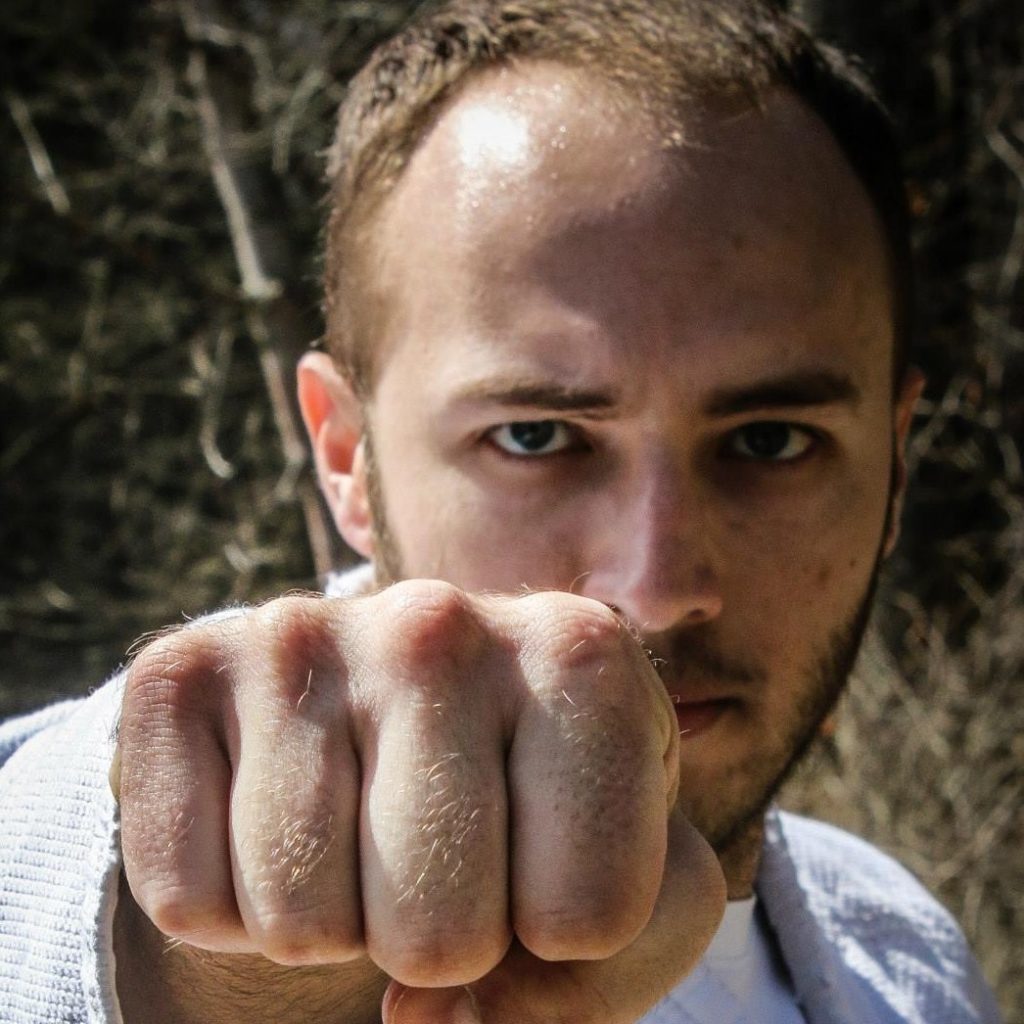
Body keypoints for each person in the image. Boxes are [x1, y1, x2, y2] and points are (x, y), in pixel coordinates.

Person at [0, 1, 1003, 1022]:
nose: (654, 586)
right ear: (345, 456)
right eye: (534, 436)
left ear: (892, 463)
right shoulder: (117, 898)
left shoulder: (904, 947)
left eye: (769, 440)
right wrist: (178, 949)